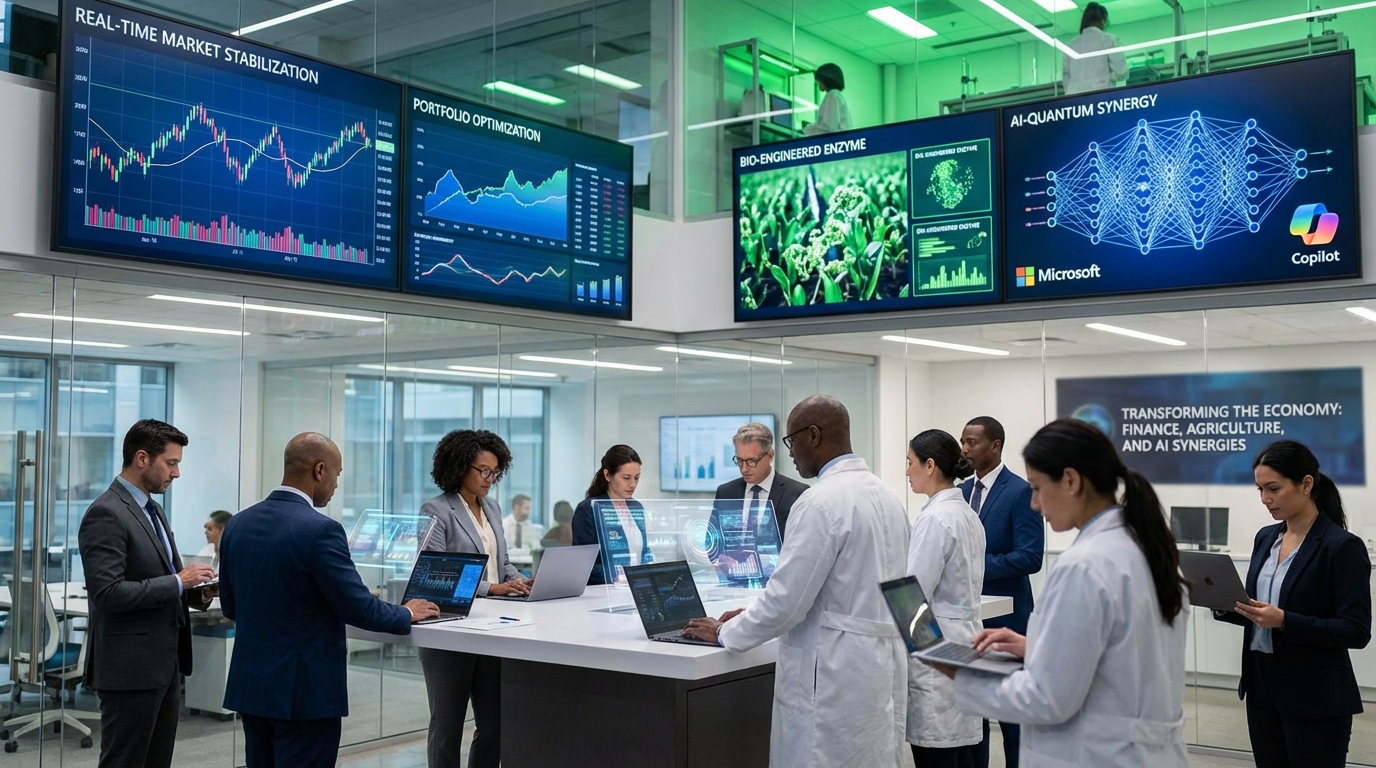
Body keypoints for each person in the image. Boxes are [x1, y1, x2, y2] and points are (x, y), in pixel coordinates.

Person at [682, 395, 909, 768]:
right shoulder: (886, 496)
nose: (791, 454)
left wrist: (726, 632)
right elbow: (898, 590)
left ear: (814, 435)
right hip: (879, 670)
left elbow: (788, 601)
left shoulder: (819, 501)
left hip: (833, 673)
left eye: (791, 442)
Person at [947, 418, 1189, 767]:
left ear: (1071, 481)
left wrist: (963, 677)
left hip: (1096, 753)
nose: (1034, 503)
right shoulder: (1147, 548)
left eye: (1036, 487)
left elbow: (1045, 699)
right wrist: (1038, 648)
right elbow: (1126, 655)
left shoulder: (1085, 565)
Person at [220, 433, 440, 767]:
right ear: (319, 470)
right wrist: (406, 613)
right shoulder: (321, 530)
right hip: (304, 693)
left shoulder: (238, 523)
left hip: (252, 686)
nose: (336, 484)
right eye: (337, 475)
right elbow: (357, 605)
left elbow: (230, 606)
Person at [1212, 440, 1371, 767]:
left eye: (1273, 488)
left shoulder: (1341, 547)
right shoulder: (1265, 538)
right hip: (1262, 690)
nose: (1265, 499)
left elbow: (1355, 631)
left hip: (1315, 697)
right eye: (1259, 490)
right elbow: (1261, 615)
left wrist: (1285, 620)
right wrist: (1221, 601)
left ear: (1306, 484)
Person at [78, 419, 216, 768]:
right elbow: (107, 594)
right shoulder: (106, 513)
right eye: (171, 463)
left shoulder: (152, 510)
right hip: (129, 669)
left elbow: (162, 580)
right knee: (124, 762)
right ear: (142, 458)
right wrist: (178, 583)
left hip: (163, 665)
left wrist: (196, 593)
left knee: (156, 762)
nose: (177, 473)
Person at [414, 429, 531, 768]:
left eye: (495, 472)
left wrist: (524, 583)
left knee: (494, 724)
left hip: (492, 628)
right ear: (459, 467)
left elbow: (502, 564)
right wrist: (491, 588)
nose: (490, 478)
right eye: (483, 470)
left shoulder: (491, 507)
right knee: (447, 726)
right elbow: (432, 575)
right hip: (450, 630)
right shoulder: (436, 510)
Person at [959, 415, 1043, 767]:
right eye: (962, 441)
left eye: (972, 442)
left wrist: (975, 565)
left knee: (1012, 718)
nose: (964, 449)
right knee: (976, 714)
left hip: (1009, 619)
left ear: (995, 446)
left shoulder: (1020, 491)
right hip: (971, 618)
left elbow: (1030, 556)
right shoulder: (961, 491)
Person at [905, 430, 986, 767]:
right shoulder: (967, 515)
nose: (907, 471)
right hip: (965, 644)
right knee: (961, 756)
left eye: (910, 463)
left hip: (938, 655)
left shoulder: (935, 519)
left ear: (930, 465)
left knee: (938, 756)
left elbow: (910, 597)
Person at [713, 421, 808, 540]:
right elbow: (712, 540)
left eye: (752, 461)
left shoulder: (797, 493)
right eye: (739, 461)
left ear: (770, 456)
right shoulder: (725, 493)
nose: (744, 468)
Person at [572, 445, 650, 585]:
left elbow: (643, 552)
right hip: (604, 591)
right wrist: (620, 576)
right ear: (608, 475)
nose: (632, 484)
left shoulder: (636, 508)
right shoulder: (588, 509)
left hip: (635, 587)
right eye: (626, 478)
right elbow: (583, 565)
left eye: (636, 478)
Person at [1063, 2, 1127, 95]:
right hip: (1101, 95)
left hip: (1075, 99)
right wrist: (1107, 77)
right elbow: (1121, 72)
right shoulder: (1109, 40)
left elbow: (1066, 78)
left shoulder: (1071, 45)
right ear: (1103, 20)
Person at [803, 62, 851, 136]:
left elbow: (828, 127)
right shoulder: (836, 95)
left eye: (819, 80)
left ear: (826, 80)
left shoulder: (833, 95)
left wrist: (807, 129)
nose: (818, 83)